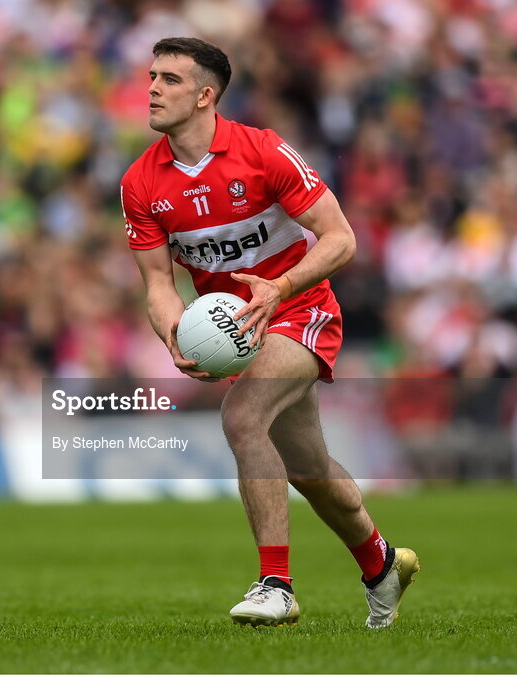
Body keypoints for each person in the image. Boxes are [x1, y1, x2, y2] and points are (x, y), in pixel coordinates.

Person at [121, 37, 419, 628]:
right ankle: (382, 563)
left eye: (170, 80)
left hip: (301, 307)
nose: (152, 87)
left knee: (242, 417)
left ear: (206, 95)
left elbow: (341, 238)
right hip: (241, 329)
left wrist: (277, 289)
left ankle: (276, 584)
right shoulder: (140, 183)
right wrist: (172, 331)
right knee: (311, 470)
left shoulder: (264, 152)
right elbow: (158, 283)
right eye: (151, 76)